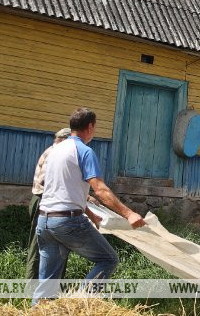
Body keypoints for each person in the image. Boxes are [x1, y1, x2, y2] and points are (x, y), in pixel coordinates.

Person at [33, 107, 146, 304]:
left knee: (48, 281)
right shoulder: (84, 151)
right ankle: (80, 304)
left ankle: (37, 309)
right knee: (108, 259)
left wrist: (91, 214)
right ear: (91, 127)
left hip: (44, 220)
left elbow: (62, 189)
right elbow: (100, 189)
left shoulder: (54, 151)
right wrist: (129, 214)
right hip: (68, 222)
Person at [25, 127, 72, 280]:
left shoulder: (54, 151)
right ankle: (33, 288)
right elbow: (46, 181)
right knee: (40, 247)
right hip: (44, 203)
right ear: (65, 140)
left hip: (46, 202)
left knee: (49, 246)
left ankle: (47, 288)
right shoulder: (55, 154)